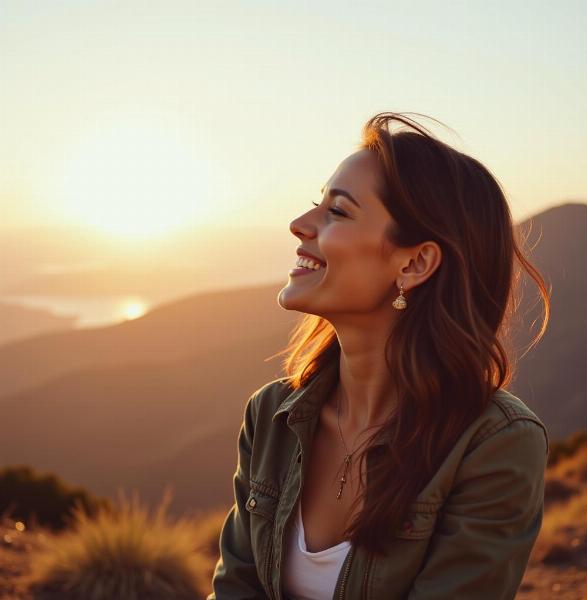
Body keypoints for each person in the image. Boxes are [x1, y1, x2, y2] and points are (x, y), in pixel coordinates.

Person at [207, 112, 550, 600]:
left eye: (338, 212)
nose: (299, 225)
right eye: (315, 205)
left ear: (414, 263)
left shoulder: (493, 445)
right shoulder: (270, 417)